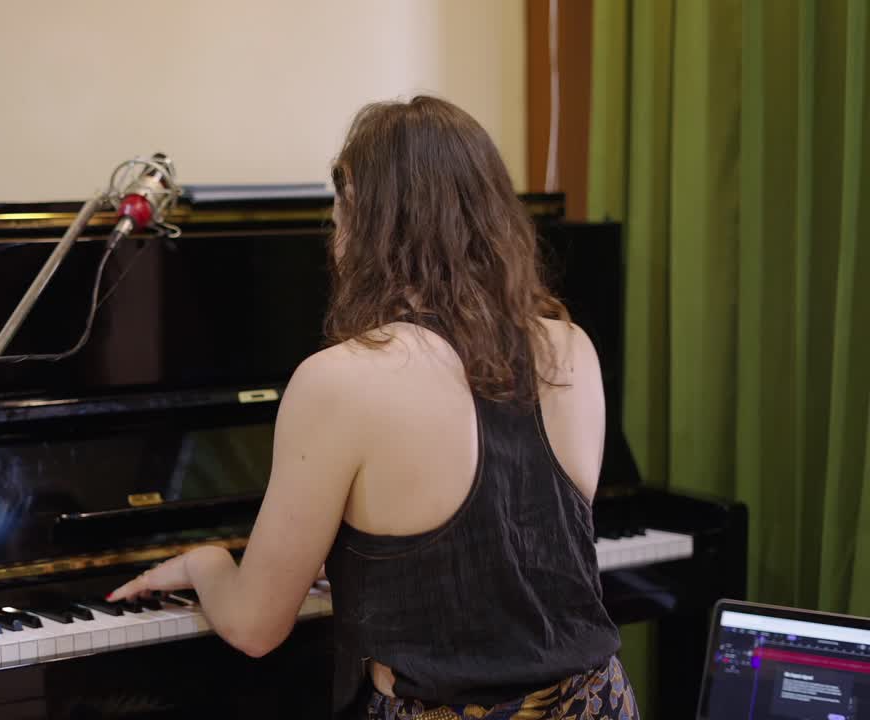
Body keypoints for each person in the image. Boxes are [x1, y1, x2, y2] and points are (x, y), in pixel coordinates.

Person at [108, 95, 638, 720]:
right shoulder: (569, 346)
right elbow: (508, 552)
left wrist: (209, 562)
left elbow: (256, 627)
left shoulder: (340, 380)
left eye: (339, 214)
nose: (335, 235)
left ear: (368, 219)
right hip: (598, 702)